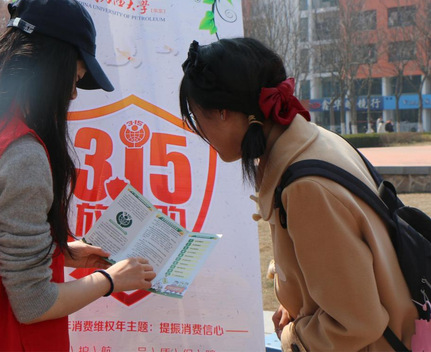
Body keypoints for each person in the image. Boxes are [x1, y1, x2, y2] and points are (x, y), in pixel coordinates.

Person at [0, 0, 155, 351]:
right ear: (50, 70)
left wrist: (62, 252)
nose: (73, 95)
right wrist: (111, 279)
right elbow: (35, 304)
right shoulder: (22, 155)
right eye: (74, 78)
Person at [178, 38, 417, 351]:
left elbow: (357, 323)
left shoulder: (305, 187)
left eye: (196, 118)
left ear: (222, 112)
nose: (199, 131)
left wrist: (293, 337)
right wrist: (298, 301)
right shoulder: (314, 143)